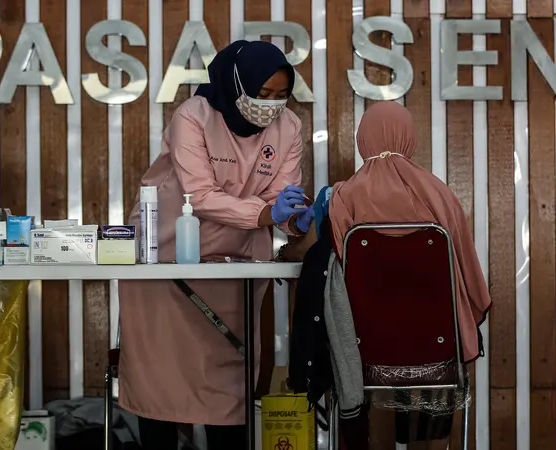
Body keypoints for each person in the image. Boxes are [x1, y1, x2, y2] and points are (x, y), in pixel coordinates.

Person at [117, 40, 313, 450]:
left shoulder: (290, 127)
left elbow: (282, 195)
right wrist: (265, 215)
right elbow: (200, 195)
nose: (272, 105)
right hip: (166, 259)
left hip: (235, 268)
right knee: (162, 386)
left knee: (230, 388)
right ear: (237, 83)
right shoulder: (194, 116)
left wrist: (297, 217)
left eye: (281, 96)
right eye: (263, 94)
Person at [286, 101, 491, 449]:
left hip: (362, 354)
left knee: (366, 371)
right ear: (409, 140)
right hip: (434, 351)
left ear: (362, 140)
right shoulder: (441, 195)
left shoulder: (338, 197)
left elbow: (302, 255)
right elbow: (471, 280)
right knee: (439, 352)